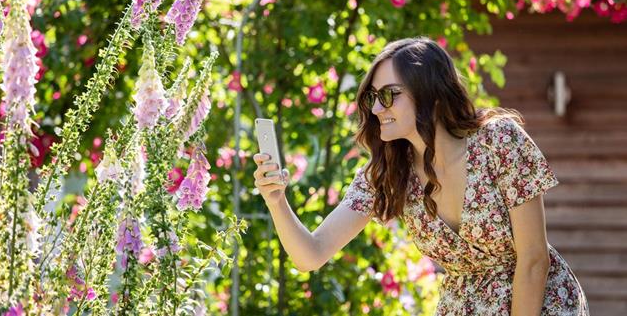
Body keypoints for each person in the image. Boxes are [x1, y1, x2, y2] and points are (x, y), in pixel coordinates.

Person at [252, 37, 589, 315]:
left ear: (429, 91)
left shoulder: (499, 141)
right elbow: (310, 254)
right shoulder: (385, 174)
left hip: (539, 305)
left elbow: (533, 260)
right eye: (372, 97)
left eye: (388, 95)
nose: (376, 108)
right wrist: (276, 200)